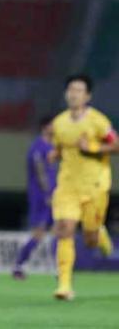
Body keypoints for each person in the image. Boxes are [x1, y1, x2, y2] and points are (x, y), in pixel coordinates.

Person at [49, 74, 116, 300]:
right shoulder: (59, 123)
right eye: (71, 89)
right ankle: (64, 286)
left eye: (78, 90)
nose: (73, 94)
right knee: (64, 229)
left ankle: (100, 234)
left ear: (87, 96)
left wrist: (93, 148)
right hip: (67, 186)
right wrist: (55, 154)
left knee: (90, 240)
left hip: (95, 186)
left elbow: (116, 145)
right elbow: (60, 149)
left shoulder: (98, 121)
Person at [12, 116, 57, 279]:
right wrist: (47, 193)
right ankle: (18, 265)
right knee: (39, 233)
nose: (56, 128)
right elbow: (40, 172)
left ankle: (60, 270)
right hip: (41, 197)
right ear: (45, 127)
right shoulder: (38, 147)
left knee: (58, 232)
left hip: (54, 195)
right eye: (53, 125)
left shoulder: (53, 146)